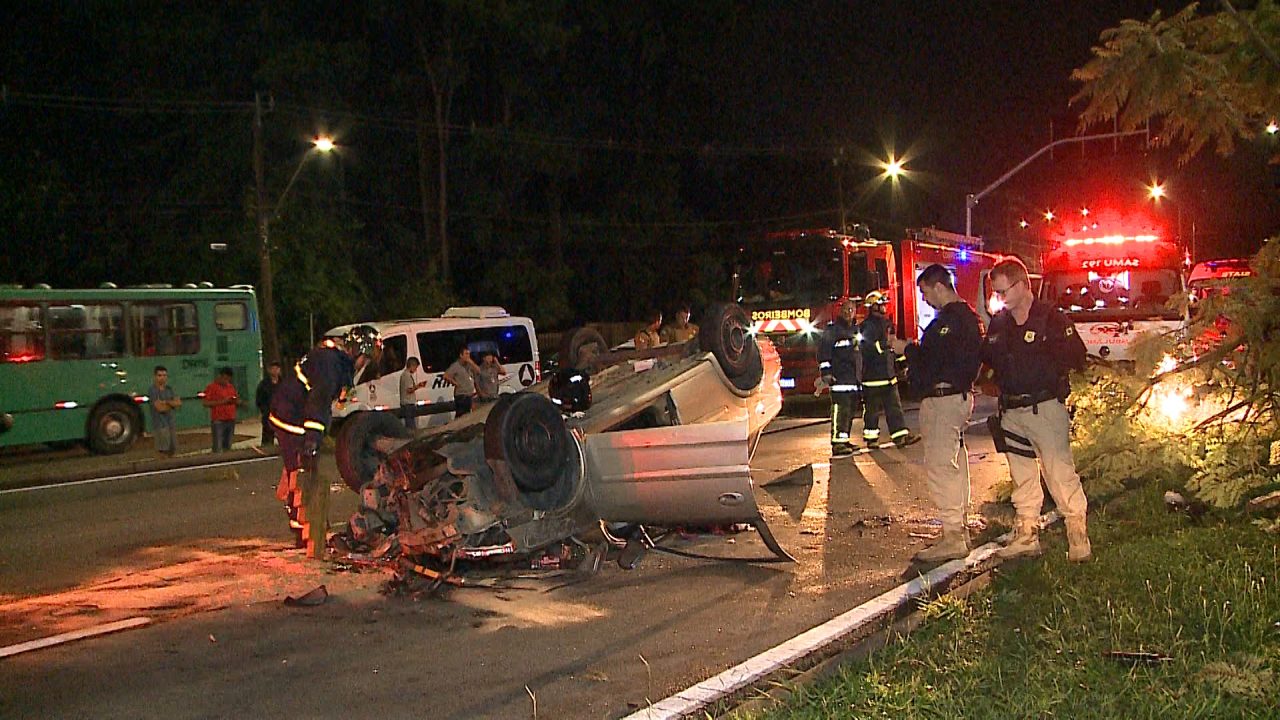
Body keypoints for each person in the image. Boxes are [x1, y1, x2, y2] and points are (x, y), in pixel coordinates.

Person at [981, 256, 1092, 562]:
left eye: (1003, 291)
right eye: (996, 293)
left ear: (1022, 285)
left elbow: (1077, 358)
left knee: (1059, 473)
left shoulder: (1051, 318)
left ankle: (1077, 534)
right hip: (1012, 411)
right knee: (1023, 478)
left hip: (1044, 408)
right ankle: (1027, 534)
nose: (999, 298)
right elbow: (988, 360)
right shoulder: (1000, 323)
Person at [895, 265, 983, 562]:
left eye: (925, 292)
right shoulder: (968, 318)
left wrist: (907, 350)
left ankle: (953, 537)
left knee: (941, 466)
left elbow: (933, 361)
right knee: (954, 465)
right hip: (954, 397)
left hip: (944, 400)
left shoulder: (950, 321)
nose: (925, 299)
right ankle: (958, 528)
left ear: (938, 287)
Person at [269, 325, 380, 555]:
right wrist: (312, 440)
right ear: (359, 353)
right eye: (365, 359)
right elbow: (317, 404)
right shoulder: (331, 367)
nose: (364, 365)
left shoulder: (334, 362)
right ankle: (305, 530)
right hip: (292, 418)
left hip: (291, 412)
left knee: (301, 470)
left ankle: (308, 525)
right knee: (301, 472)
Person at [858, 291, 919, 449]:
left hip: (888, 376)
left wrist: (902, 364)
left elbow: (894, 348)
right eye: (881, 304)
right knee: (872, 411)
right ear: (873, 307)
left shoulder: (887, 324)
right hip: (872, 377)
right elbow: (868, 347)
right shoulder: (867, 326)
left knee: (894, 408)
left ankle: (900, 436)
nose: (885, 307)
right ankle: (871, 438)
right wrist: (886, 344)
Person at [816, 297, 863, 458]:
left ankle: (845, 439)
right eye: (845, 310)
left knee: (849, 412)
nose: (848, 313)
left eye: (851, 310)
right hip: (839, 379)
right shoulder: (833, 331)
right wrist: (826, 373)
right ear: (840, 312)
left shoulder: (856, 330)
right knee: (840, 410)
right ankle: (837, 443)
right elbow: (824, 353)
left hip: (852, 380)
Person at [202, 367, 240, 453]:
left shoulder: (230, 387)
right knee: (218, 445)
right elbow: (205, 403)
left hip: (230, 418)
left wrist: (236, 401)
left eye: (229, 379)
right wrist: (222, 402)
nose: (226, 381)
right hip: (218, 420)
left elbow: (235, 398)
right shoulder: (211, 387)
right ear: (220, 376)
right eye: (225, 378)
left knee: (228, 444)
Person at [147, 365, 181, 456]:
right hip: (160, 425)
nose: (162, 378)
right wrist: (171, 404)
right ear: (155, 377)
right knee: (162, 451)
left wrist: (165, 402)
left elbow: (178, 403)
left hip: (171, 425)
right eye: (159, 375)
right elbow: (160, 408)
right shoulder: (153, 390)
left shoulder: (169, 389)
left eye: (164, 375)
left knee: (172, 450)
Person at [443, 346, 481, 417]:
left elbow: (478, 371)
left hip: (470, 394)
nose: (468, 356)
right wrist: (455, 383)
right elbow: (446, 376)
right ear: (461, 355)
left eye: (469, 354)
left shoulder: (469, 365)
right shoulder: (456, 366)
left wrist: (471, 362)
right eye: (466, 354)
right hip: (461, 395)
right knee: (461, 415)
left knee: (469, 415)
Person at [255, 361, 282, 446]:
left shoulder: (284, 383)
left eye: (277, 368)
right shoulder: (263, 384)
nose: (275, 370)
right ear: (269, 370)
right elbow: (259, 400)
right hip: (268, 415)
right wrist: (265, 411)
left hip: (282, 415)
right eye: (273, 368)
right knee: (267, 437)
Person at [399, 357, 427, 429]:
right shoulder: (407, 376)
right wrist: (418, 386)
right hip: (408, 404)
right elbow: (409, 390)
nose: (415, 370)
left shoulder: (405, 375)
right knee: (411, 426)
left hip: (406, 404)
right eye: (415, 367)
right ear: (412, 366)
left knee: (410, 425)